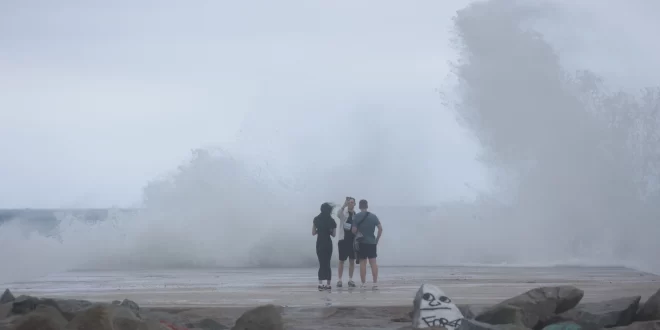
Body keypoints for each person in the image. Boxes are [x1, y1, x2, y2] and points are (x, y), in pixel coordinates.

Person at [351, 199, 382, 289]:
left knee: (363, 263)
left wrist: (358, 233)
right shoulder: (373, 216)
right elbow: (380, 229)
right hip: (372, 242)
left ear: (360, 207)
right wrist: (376, 240)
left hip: (362, 243)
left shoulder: (356, 217)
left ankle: (363, 284)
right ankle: (375, 284)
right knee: (373, 263)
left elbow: (353, 230)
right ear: (367, 206)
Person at [312, 202, 337, 291]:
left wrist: (320, 230)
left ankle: (320, 283)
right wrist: (328, 231)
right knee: (327, 263)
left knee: (321, 263)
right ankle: (328, 284)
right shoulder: (332, 221)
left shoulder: (316, 219)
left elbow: (313, 233)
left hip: (319, 243)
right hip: (328, 243)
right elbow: (334, 234)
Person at [336, 197, 357, 288]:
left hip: (353, 240)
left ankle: (350, 279)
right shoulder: (344, 213)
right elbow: (338, 214)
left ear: (354, 204)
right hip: (343, 240)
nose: (350, 204)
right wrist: (344, 205)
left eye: (352, 202)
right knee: (341, 260)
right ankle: (339, 280)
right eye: (349, 202)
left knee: (352, 261)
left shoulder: (356, 215)